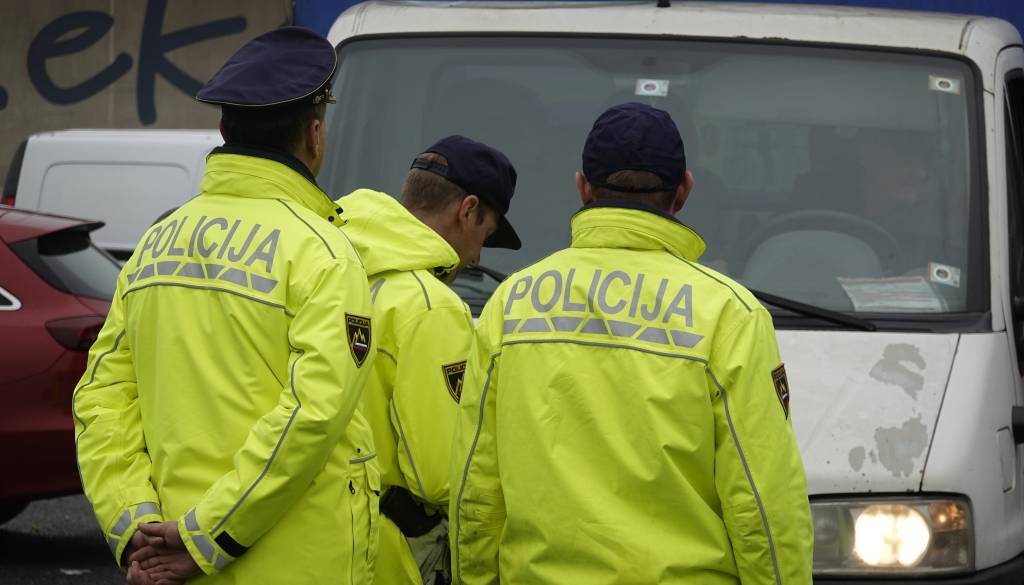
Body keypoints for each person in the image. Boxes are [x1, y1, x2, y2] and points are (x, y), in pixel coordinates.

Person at [449, 102, 813, 585]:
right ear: (684, 191)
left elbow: (476, 484)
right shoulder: (729, 314)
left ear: (583, 188)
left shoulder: (510, 304)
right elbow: (762, 500)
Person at [72, 27, 379, 585]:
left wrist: (136, 526)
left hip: (168, 560)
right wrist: (206, 536)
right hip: (292, 564)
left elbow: (102, 399)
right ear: (314, 135)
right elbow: (313, 414)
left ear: (222, 130)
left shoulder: (155, 244)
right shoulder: (324, 252)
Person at [336, 135, 520, 585]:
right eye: (485, 236)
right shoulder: (430, 306)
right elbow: (441, 475)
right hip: (387, 555)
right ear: (467, 210)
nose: (476, 257)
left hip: (313, 533)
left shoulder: (330, 264)